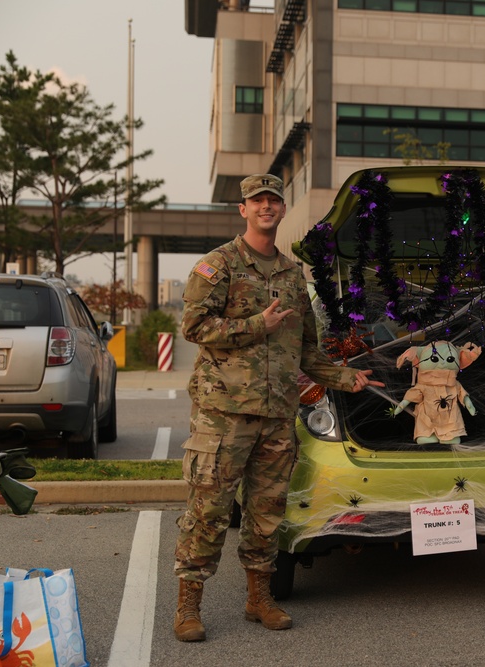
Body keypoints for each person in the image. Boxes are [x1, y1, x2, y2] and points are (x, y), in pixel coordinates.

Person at [173, 174, 384, 642]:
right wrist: (256, 325)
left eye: (273, 200)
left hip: (276, 417)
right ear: (242, 210)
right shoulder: (219, 265)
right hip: (223, 416)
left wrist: (348, 378)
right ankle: (188, 606)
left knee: (267, 514)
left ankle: (258, 599)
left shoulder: (292, 276)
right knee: (208, 512)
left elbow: (309, 352)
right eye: (257, 201)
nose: (266, 207)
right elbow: (193, 326)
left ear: (283, 209)